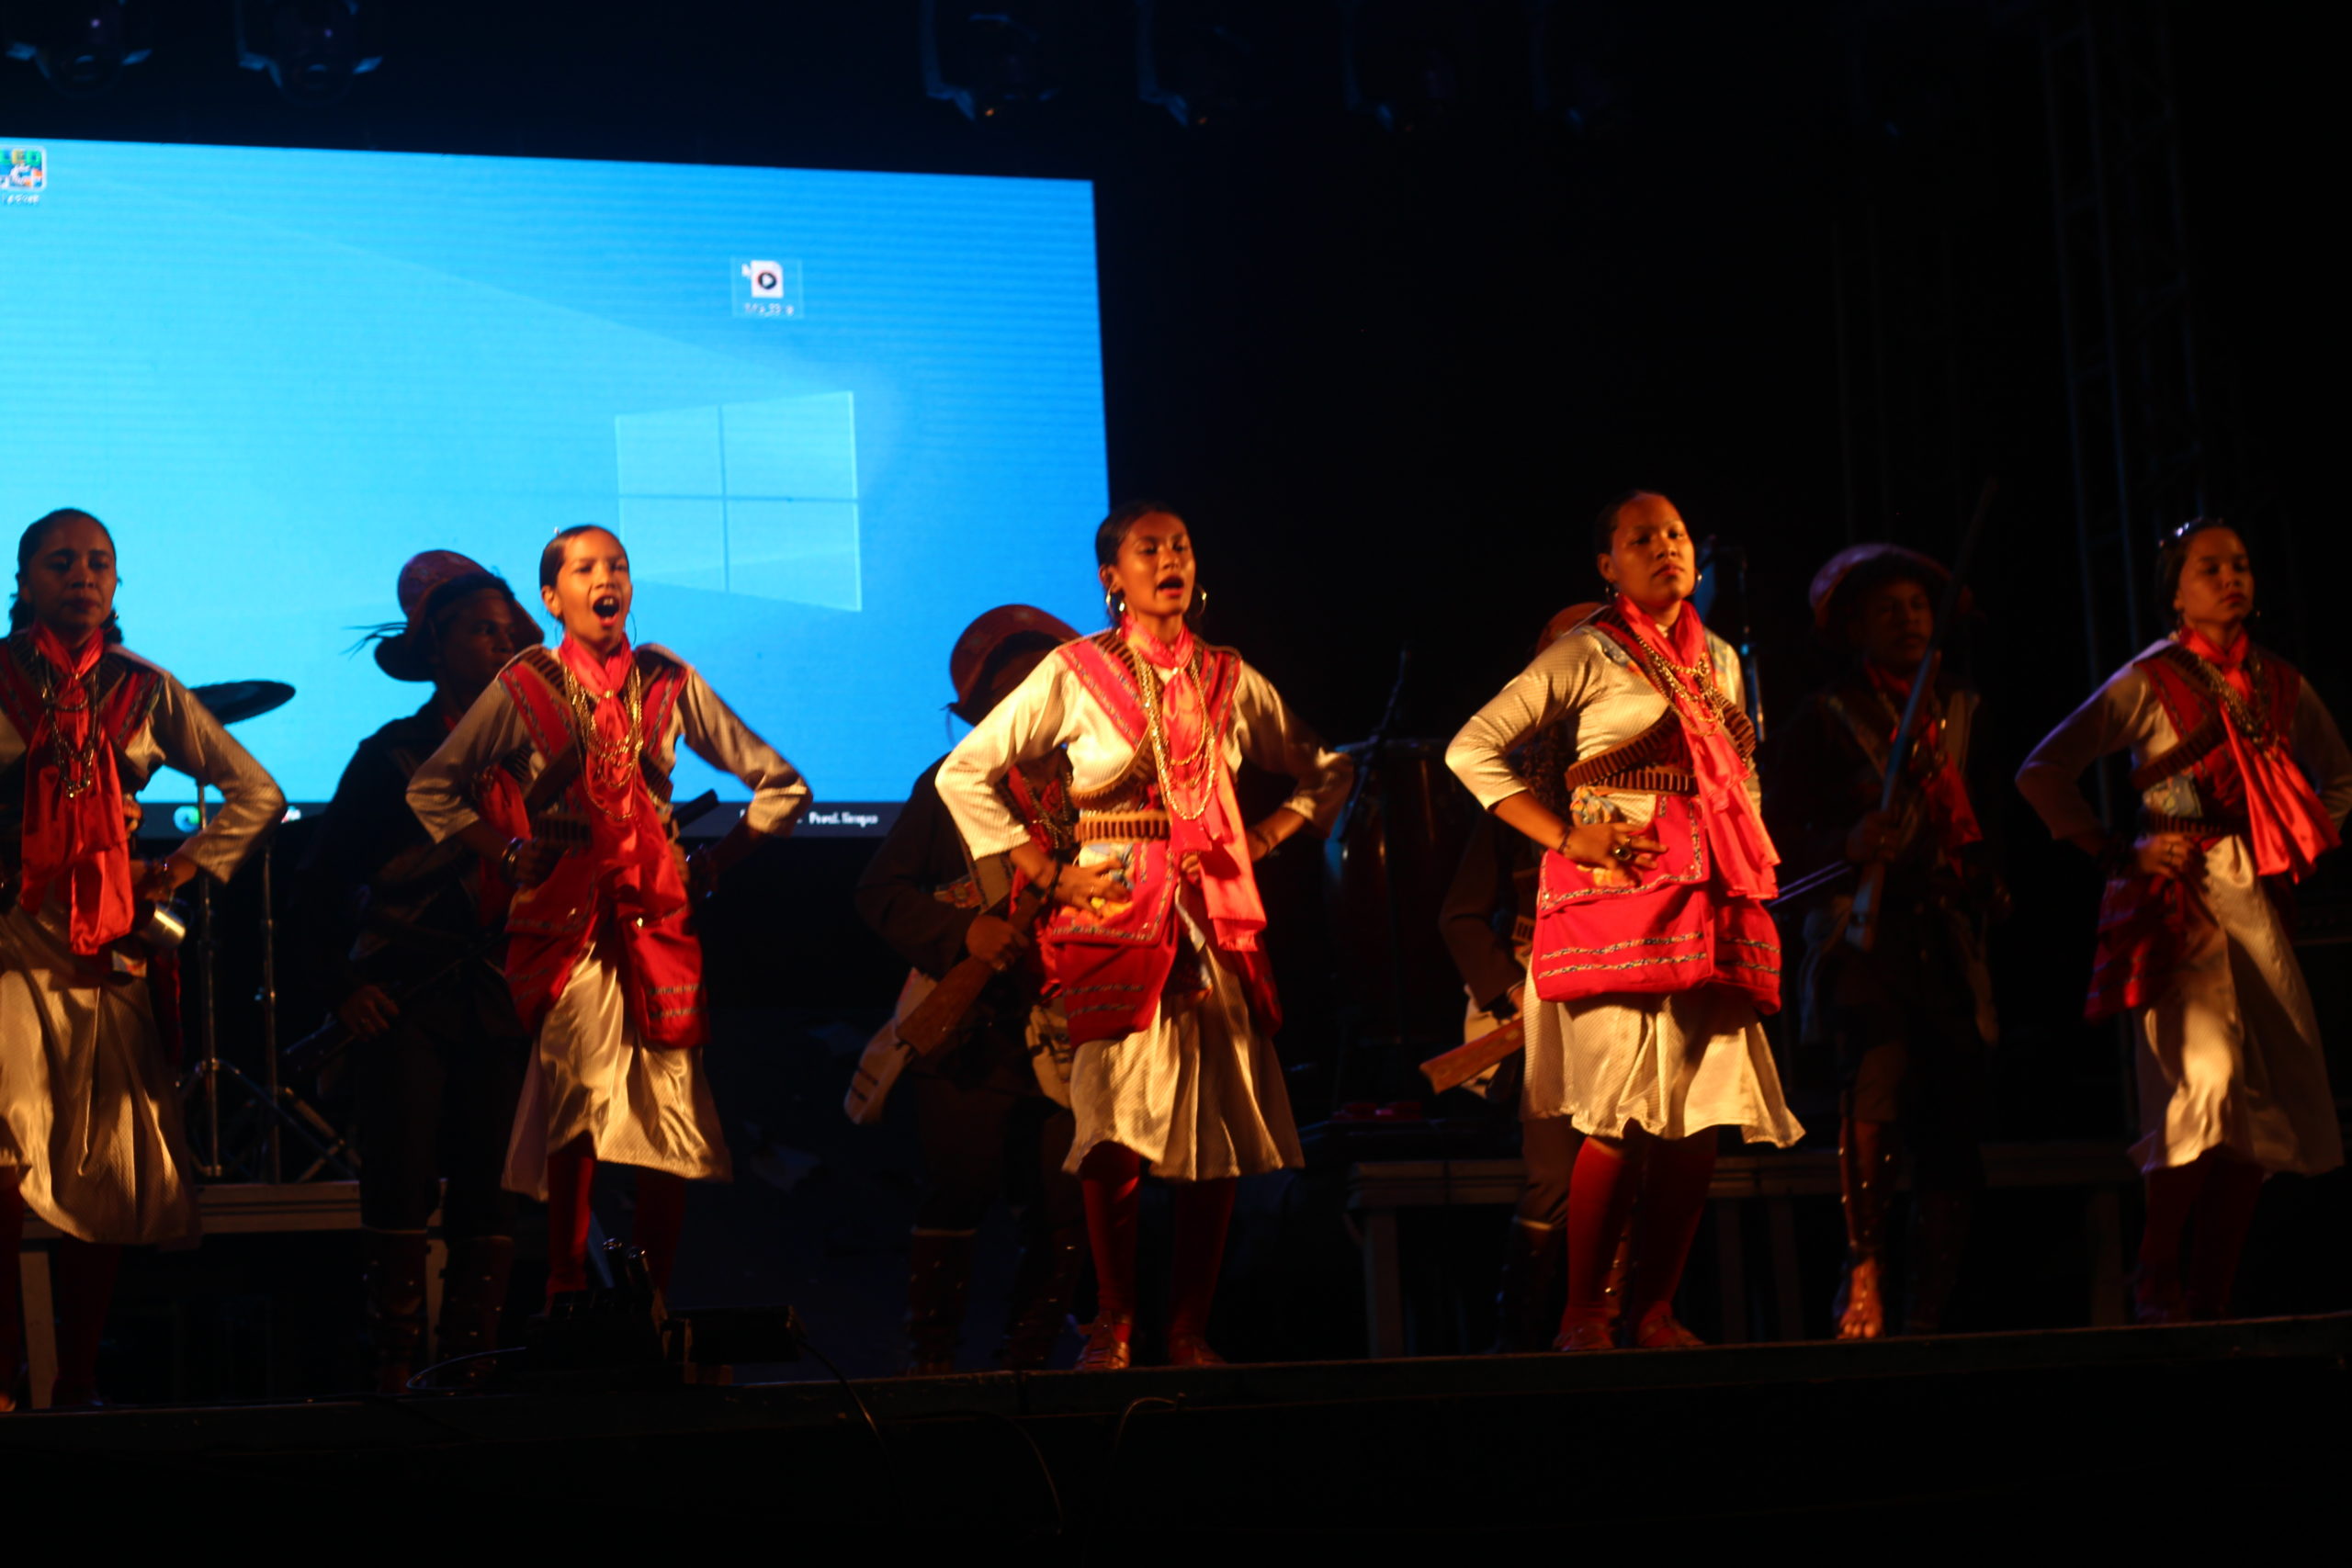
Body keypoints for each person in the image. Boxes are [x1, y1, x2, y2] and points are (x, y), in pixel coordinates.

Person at [934, 502, 1352, 1369]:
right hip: (1117, 918)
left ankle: (1192, 1327)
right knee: (1114, 1123)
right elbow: (964, 771)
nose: (1170, 560)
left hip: (1215, 922)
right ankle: (1113, 1319)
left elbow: (1326, 767)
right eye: (1148, 549)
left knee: (1216, 1127)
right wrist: (1046, 872)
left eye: (1182, 547)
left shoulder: (1231, 677)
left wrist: (1267, 837)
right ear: (1110, 577)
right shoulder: (1074, 671)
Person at [406, 525, 809, 1305]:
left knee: (669, 1105)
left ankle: (653, 1298)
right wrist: (501, 848)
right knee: (577, 1094)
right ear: (554, 597)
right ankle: (564, 1287)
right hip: (566, 923)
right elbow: (433, 787)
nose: (607, 577)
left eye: (618, 565)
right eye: (585, 568)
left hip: (655, 920)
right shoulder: (526, 683)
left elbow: (781, 784)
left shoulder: (666, 679)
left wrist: (714, 864)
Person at [1446, 491, 1802, 1351]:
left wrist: (1746, 868)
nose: (1666, 547)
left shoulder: (1717, 654)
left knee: (1696, 1116)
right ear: (1608, 564)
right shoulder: (1588, 651)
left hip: (1704, 902)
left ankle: (1655, 1309)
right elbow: (1471, 749)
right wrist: (1569, 834)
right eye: (1642, 538)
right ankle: (1583, 1314)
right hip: (1616, 904)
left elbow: (1739, 780)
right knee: (1617, 1114)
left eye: (1676, 534)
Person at [2017, 519, 2349, 1322]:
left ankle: (2210, 1295)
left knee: (2259, 1111)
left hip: (2257, 907)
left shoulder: (2280, 683)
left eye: (2240, 564)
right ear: (2175, 589)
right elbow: (2043, 770)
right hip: (2182, 899)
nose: (2230, 577)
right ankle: (2156, 1268)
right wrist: (2116, 851)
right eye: (2209, 567)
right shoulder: (2149, 679)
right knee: (2202, 1085)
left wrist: (2299, 840)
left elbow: (2336, 776)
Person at [0, 508, 284, 1408]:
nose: (81, 576)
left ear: (116, 584)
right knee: (3, 1150)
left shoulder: (143, 689)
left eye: (98, 564)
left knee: (105, 1165)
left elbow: (257, 794)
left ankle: (74, 1383)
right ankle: (4, 1378)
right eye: (60, 563)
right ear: (25, 579)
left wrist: (174, 871)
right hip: (9, 935)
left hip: (106, 946)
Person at [297, 551, 542, 1391]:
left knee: (492, 1191)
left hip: (505, 999)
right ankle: (393, 1374)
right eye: (482, 631)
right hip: (406, 998)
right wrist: (344, 988)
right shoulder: (392, 758)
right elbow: (318, 890)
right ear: (437, 649)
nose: (500, 645)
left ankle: (471, 1368)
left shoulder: (545, 762)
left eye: (511, 634)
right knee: (399, 1182)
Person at [1767, 545, 2004, 1338]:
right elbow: (1775, 835)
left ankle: (1929, 1309)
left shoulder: (1959, 707)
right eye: (1887, 608)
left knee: (1951, 1118)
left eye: (1917, 605)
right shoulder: (1823, 718)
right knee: (1876, 1081)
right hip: (1861, 935)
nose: (1907, 619)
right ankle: (1862, 1267)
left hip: (1942, 935)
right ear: (1854, 627)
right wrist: (1846, 840)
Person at [854, 604, 1089, 1374]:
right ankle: (934, 1366)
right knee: (960, 1191)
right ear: (983, 707)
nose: (1030, 694)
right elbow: (880, 892)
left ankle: (1028, 1363)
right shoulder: (948, 786)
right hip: (971, 1036)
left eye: (1044, 677)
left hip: (1072, 1024)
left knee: (1064, 1208)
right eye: (1011, 682)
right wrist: (964, 936)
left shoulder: (1105, 780)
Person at [1438, 604, 1603, 1351]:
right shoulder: (1515, 798)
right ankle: (1525, 1344)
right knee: (1554, 1178)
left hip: (1624, 989)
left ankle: (1614, 1325)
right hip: (1543, 1004)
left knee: (1632, 1158)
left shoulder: (1642, 787)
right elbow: (1462, 917)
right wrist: (1513, 992)